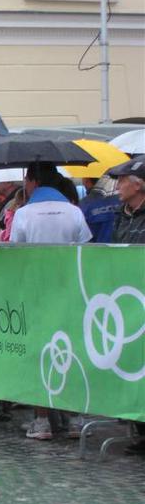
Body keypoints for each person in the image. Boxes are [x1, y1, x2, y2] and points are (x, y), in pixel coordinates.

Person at [11, 162, 92, 440]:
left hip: (35, 293)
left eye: (26, 180)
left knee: (38, 354)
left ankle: (42, 421)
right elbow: (86, 249)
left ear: (33, 181)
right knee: (71, 350)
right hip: (70, 291)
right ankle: (76, 419)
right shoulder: (74, 211)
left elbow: (16, 254)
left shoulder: (23, 214)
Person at [106, 156, 145, 455]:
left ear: (138, 185)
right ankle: (139, 429)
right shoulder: (121, 214)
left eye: (122, 181)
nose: (117, 186)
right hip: (126, 301)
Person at [78, 177, 120, 243]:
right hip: (123, 248)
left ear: (86, 180)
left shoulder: (84, 205)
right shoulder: (122, 200)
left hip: (93, 248)